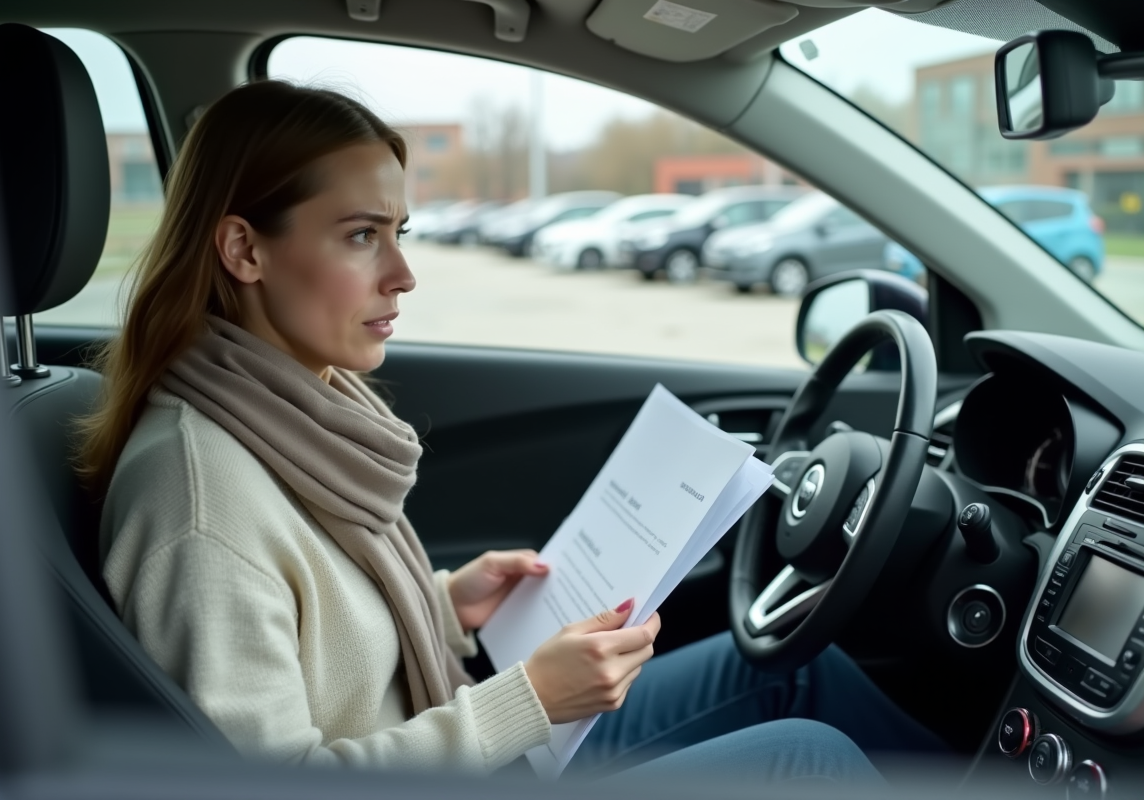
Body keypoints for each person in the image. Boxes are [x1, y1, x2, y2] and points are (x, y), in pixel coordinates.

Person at [80, 80, 941, 784]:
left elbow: (323, 645)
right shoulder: (200, 498)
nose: (404, 273)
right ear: (244, 250)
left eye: (400, 233)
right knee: (811, 760)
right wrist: (528, 698)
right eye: (360, 237)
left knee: (791, 668)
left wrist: (446, 605)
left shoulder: (290, 411)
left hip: (453, 738)